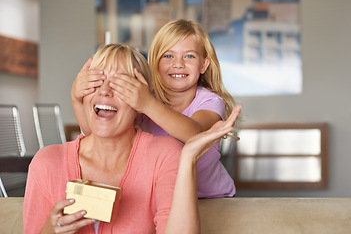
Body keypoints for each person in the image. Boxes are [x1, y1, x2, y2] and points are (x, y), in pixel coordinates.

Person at [23, 43, 241, 234]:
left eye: (121, 86)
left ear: (141, 103)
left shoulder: (165, 155)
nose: (105, 91)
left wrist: (187, 157)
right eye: (96, 82)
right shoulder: (47, 163)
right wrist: (51, 230)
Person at [71, 19, 238, 198]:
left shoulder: (209, 100)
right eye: (168, 56)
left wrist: (148, 104)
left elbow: (195, 134)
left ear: (203, 65)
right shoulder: (143, 97)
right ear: (155, 62)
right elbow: (94, 135)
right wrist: (76, 98)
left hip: (209, 198)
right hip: (161, 197)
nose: (178, 64)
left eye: (189, 56)